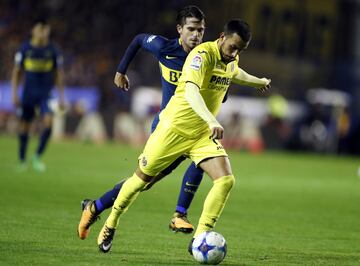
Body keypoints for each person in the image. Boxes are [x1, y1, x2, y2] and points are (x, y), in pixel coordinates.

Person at [96, 19, 271, 253]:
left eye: (241, 49)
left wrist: (257, 82)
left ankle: (200, 238)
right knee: (140, 181)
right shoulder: (201, 55)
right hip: (173, 129)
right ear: (221, 37)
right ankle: (111, 223)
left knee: (226, 180)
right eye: (233, 47)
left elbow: (234, 72)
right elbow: (190, 90)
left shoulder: (231, 57)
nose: (235, 53)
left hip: (200, 135)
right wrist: (211, 119)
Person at [78, 5, 208, 239]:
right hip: (167, 129)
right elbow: (139, 39)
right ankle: (95, 207)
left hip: (194, 128)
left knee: (204, 160)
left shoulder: (207, 57)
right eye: (191, 29)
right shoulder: (164, 48)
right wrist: (120, 71)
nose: (196, 35)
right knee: (142, 182)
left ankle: (179, 214)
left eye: (201, 30)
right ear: (179, 29)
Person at [11, 18, 65, 172]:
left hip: (46, 94)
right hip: (28, 94)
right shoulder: (25, 49)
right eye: (40, 29)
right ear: (33, 31)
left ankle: (36, 156)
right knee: (24, 127)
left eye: (45, 29)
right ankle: (22, 160)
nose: (43, 33)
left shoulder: (53, 50)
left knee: (49, 123)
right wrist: (14, 94)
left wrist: (61, 96)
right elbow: (16, 72)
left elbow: (59, 74)